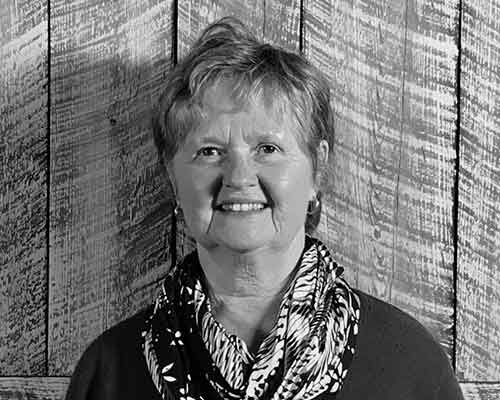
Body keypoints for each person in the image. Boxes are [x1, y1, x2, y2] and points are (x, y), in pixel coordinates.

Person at [65, 17, 464, 400]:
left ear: (317, 169)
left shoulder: (408, 368)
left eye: (267, 149)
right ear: (172, 177)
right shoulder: (110, 371)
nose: (239, 176)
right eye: (210, 151)